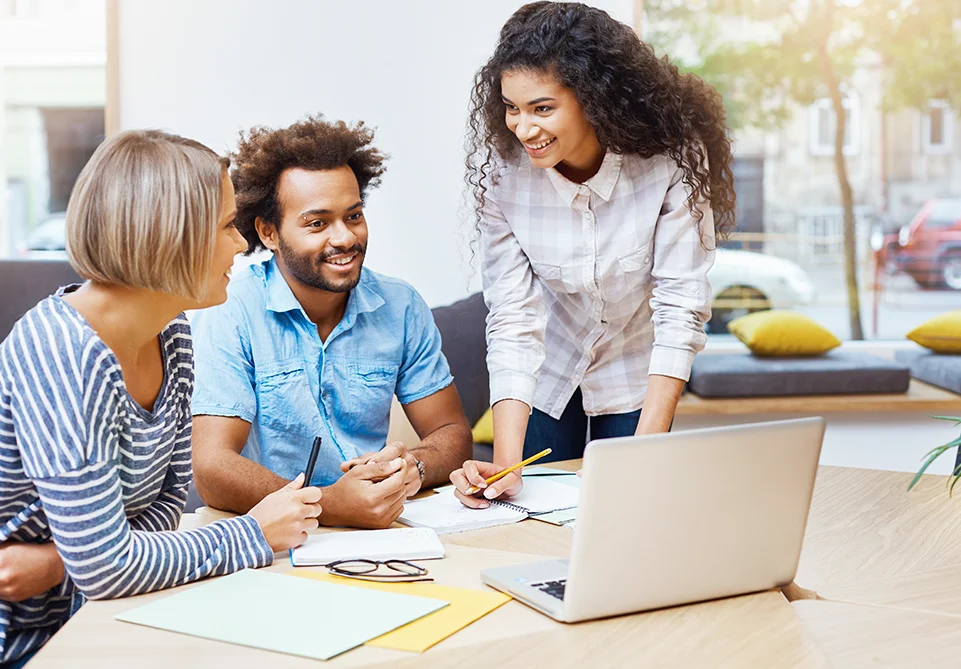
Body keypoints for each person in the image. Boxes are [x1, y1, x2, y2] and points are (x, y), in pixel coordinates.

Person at [0, 130, 322, 668]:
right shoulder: (61, 353)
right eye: (225, 227)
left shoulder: (172, 334)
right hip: (26, 642)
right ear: (170, 235)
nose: (242, 244)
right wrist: (253, 533)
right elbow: (105, 568)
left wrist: (85, 559)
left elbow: (164, 513)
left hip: (104, 616)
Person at [451, 1, 736, 508]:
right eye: (511, 108)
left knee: (630, 512)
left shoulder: (671, 157)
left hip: (635, 367)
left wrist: (648, 448)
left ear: (595, 98)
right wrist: (504, 465)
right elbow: (513, 317)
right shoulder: (503, 176)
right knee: (531, 517)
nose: (523, 128)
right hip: (549, 369)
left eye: (542, 108)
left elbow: (680, 306)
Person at [190, 116, 472, 530]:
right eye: (317, 223)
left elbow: (452, 432)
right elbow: (213, 469)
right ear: (269, 232)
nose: (344, 238)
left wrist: (412, 467)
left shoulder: (401, 305)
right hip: (269, 537)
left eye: (353, 216)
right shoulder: (232, 309)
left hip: (381, 532)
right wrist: (331, 503)